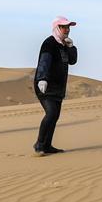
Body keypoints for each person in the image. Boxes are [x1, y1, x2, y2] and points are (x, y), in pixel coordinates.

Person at [33, 16, 78, 155]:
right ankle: (39, 145)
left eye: (68, 27)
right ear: (57, 28)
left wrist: (71, 47)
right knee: (51, 113)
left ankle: (47, 145)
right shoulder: (50, 43)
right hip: (45, 85)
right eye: (64, 27)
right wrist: (42, 78)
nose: (67, 30)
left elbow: (72, 61)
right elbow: (44, 61)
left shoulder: (64, 44)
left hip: (58, 87)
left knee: (55, 115)